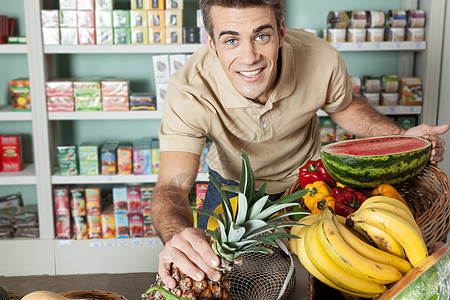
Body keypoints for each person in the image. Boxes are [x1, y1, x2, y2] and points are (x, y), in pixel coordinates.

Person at [151, 0, 449, 289]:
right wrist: (177, 234)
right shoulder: (189, 89)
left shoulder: (320, 58)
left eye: (262, 35)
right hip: (232, 194)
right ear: (211, 44)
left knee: (336, 278)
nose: (249, 56)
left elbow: (344, 107)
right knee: (225, 280)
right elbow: (173, 187)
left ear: (281, 32)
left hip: (308, 187)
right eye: (231, 40)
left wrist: (401, 138)